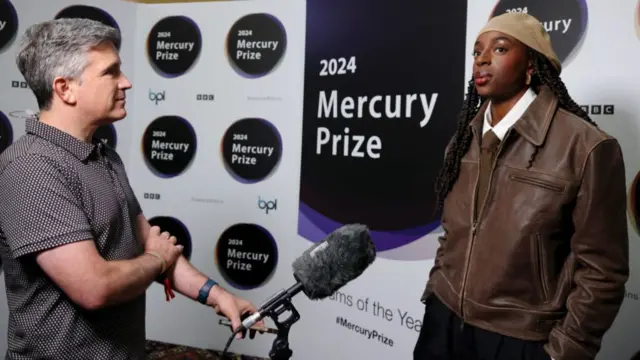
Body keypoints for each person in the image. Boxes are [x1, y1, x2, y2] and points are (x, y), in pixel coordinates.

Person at [0, 18, 261, 359]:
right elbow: (94, 286)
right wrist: (156, 259)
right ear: (65, 89)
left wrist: (218, 296)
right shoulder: (31, 168)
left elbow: (147, 242)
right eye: (110, 72)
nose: (126, 82)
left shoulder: (105, 156)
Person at [414, 12, 629, 360]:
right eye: (477, 51)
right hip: (443, 323)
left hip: (519, 340)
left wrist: (565, 351)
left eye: (499, 49)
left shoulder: (586, 147)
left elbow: (603, 273)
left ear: (531, 64)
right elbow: (454, 233)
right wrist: (435, 293)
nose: (482, 59)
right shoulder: (462, 140)